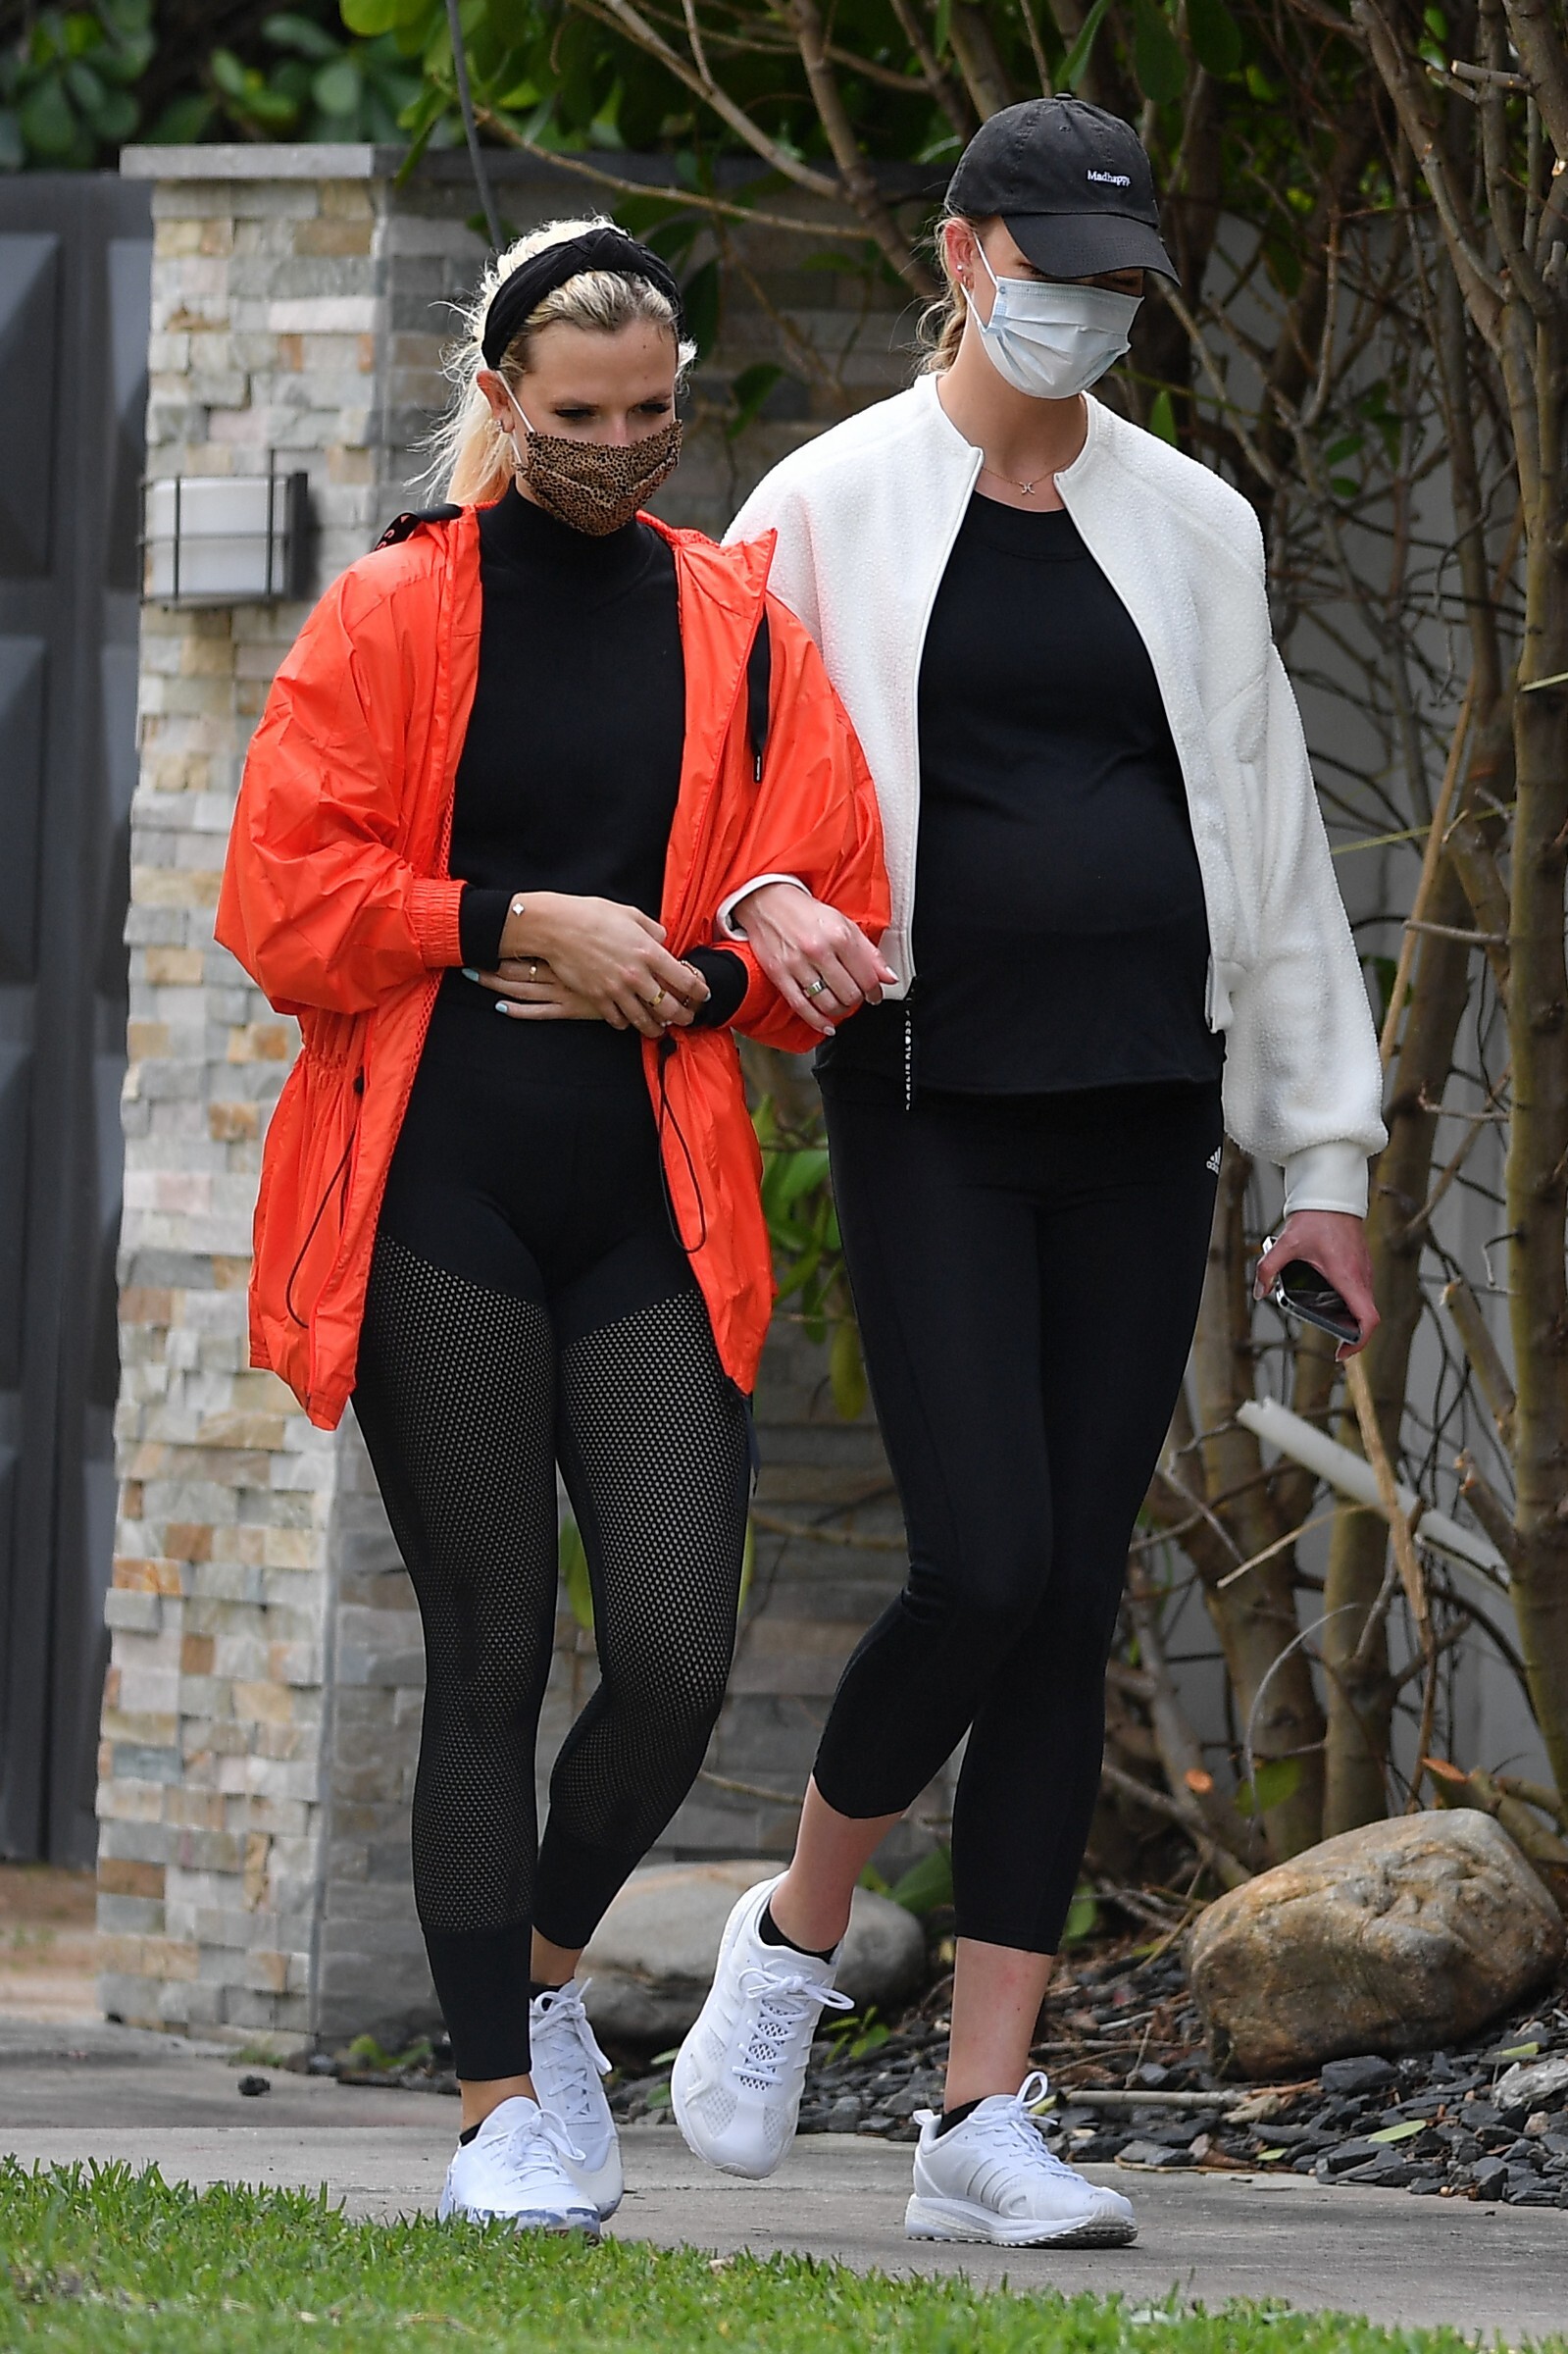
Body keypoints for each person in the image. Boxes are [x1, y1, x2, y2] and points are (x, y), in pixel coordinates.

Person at [669, 99, 1388, 2248]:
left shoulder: (1193, 523)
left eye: (1113, 276)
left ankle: (982, 2112)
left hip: (1141, 1102)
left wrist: (1320, 1155)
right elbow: (716, 792)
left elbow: (1268, 842)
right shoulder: (824, 505)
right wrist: (769, 898)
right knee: (979, 1563)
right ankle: (794, 1938)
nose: (1081, 305)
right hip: (930, 1093)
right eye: (1048, 264)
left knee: (1072, 1595)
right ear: (965, 253)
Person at [216, 218, 886, 2239]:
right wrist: (515, 919)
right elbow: (281, 901)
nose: (620, 445)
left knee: (676, 1654)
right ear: (503, 401)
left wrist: (707, 959)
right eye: (580, 415)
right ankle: (496, 2104)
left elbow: (831, 907)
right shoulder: (394, 609)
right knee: (492, 1644)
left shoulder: (737, 624)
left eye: (653, 412)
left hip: (648, 1193)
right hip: (439, 1185)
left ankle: (538, 1973)